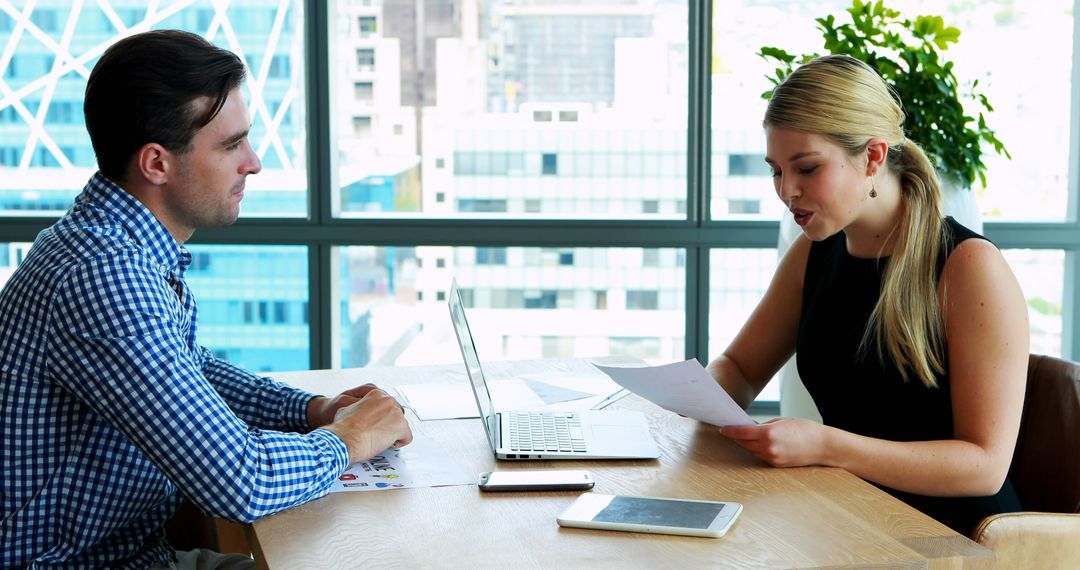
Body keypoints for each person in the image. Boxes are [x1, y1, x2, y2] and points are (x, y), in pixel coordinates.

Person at [0, 30, 412, 569]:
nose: (255, 162)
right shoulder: (104, 276)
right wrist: (349, 438)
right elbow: (242, 482)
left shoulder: (116, 244)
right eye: (230, 144)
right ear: (156, 164)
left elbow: (187, 371)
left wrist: (311, 410)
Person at [709, 54, 1029, 535]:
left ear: (873, 157)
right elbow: (739, 368)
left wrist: (825, 446)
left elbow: (984, 465)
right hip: (852, 520)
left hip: (955, 543)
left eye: (808, 168)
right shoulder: (815, 252)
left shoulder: (969, 266)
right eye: (776, 170)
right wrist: (690, 401)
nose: (787, 191)